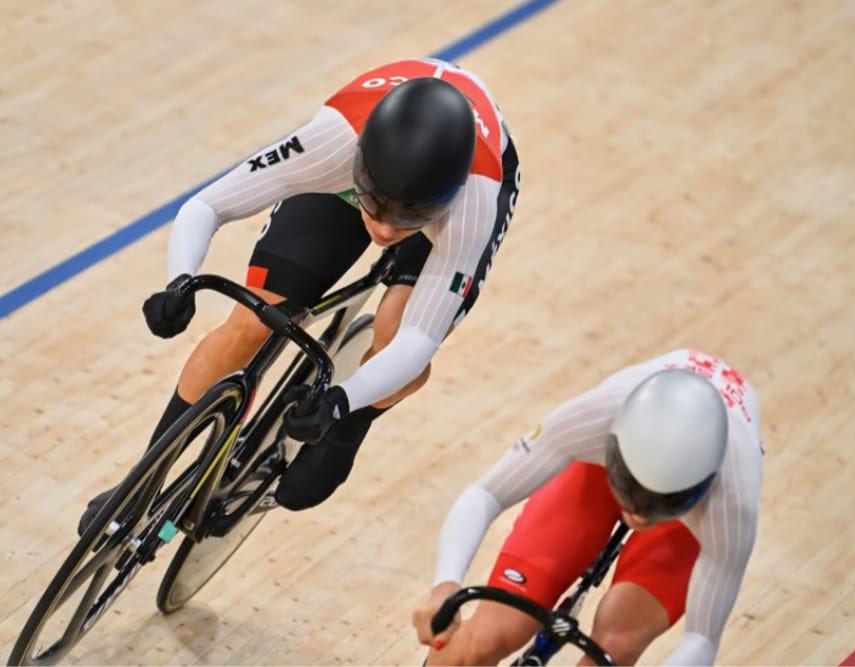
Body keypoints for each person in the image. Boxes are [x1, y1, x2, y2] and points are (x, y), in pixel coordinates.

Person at [78, 58, 521, 533]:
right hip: (348, 178)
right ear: (359, 166)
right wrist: (180, 280)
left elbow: (418, 343)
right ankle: (146, 477)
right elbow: (207, 206)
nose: (387, 230)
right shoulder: (330, 142)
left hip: (463, 192)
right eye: (376, 207)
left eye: (408, 219)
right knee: (252, 319)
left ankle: (357, 424)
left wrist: (344, 405)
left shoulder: (473, 202)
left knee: (395, 336)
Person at [412, 349, 763, 666]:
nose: (637, 516)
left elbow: (700, 640)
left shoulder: (733, 501)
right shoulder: (594, 417)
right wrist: (445, 586)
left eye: (657, 505)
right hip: (598, 473)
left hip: (685, 522)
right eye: (631, 491)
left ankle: (648, 496)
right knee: (488, 637)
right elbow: (486, 494)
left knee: (615, 647)